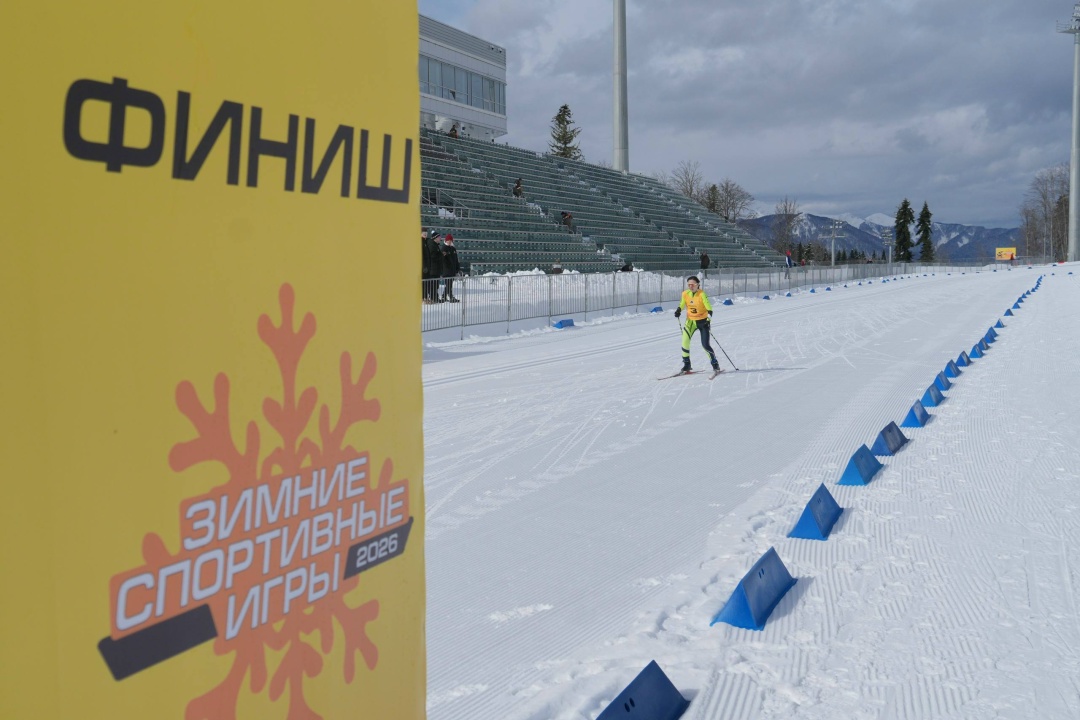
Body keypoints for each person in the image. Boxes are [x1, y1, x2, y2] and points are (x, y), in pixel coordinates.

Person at [674, 275, 720, 374]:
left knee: (705, 345)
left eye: (693, 285)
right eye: (689, 285)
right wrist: (678, 310)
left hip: (703, 322)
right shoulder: (685, 293)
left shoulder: (702, 294)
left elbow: (710, 310)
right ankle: (687, 364)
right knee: (684, 342)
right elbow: (682, 304)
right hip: (690, 321)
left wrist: (708, 321)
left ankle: (715, 363)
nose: (690, 286)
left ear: (697, 285)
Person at [441, 234, 460, 302]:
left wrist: (457, 268)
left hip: (452, 270)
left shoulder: (453, 248)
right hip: (447, 270)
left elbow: (456, 259)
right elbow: (443, 259)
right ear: (446, 240)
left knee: (449, 284)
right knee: (448, 284)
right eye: (448, 240)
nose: (449, 241)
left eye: (450, 240)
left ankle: (444, 296)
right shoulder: (444, 248)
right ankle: (450, 296)